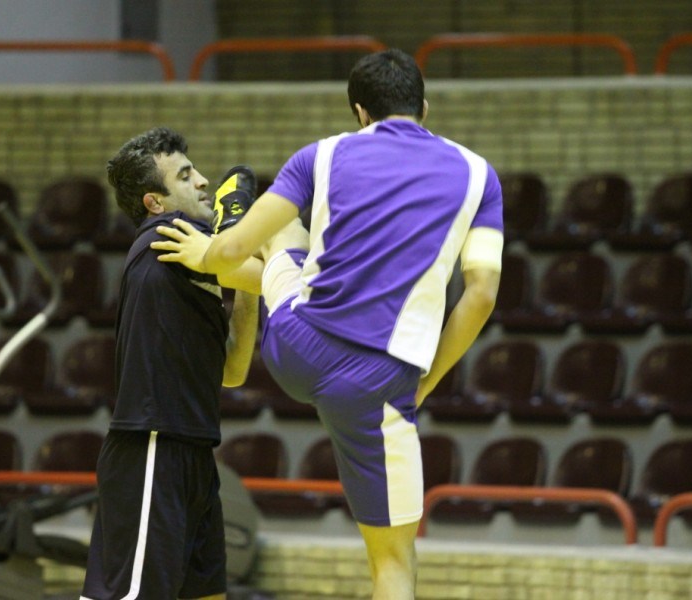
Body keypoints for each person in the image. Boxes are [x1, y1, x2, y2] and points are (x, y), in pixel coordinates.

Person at [151, 49, 503, 600]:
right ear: (425, 108)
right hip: (379, 382)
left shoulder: (321, 154)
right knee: (394, 562)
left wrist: (207, 254)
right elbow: (480, 296)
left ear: (360, 112)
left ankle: (227, 221)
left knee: (281, 237)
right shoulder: (480, 176)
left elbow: (235, 251)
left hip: (296, 342)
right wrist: (422, 385)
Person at [80, 126, 263, 600]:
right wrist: (250, 233)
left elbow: (232, 372)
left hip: (193, 450)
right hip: (153, 447)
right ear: (154, 203)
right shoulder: (172, 235)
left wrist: (245, 270)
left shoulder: (196, 259)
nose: (202, 180)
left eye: (194, 169)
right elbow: (283, 277)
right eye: (184, 176)